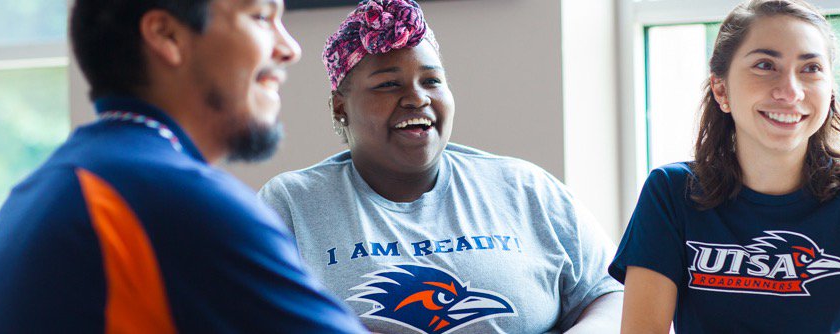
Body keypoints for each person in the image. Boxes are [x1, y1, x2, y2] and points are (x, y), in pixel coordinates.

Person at [0, 0, 368, 332]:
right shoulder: (173, 200)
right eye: (260, 16)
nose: (290, 49)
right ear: (166, 36)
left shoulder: (53, 186)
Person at [257, 1, 623, 332]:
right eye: (388, 84)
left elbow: (613, 294)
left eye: (431, 80)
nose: (417, 97)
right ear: (340, 107)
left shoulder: (525, 188)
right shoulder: (292, 204)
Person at [608, 0, 840, 333]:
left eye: (810, 68)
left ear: (829, 91)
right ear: (721, 89)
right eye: (764, 65)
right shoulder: (670, 192)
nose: (790, 91)